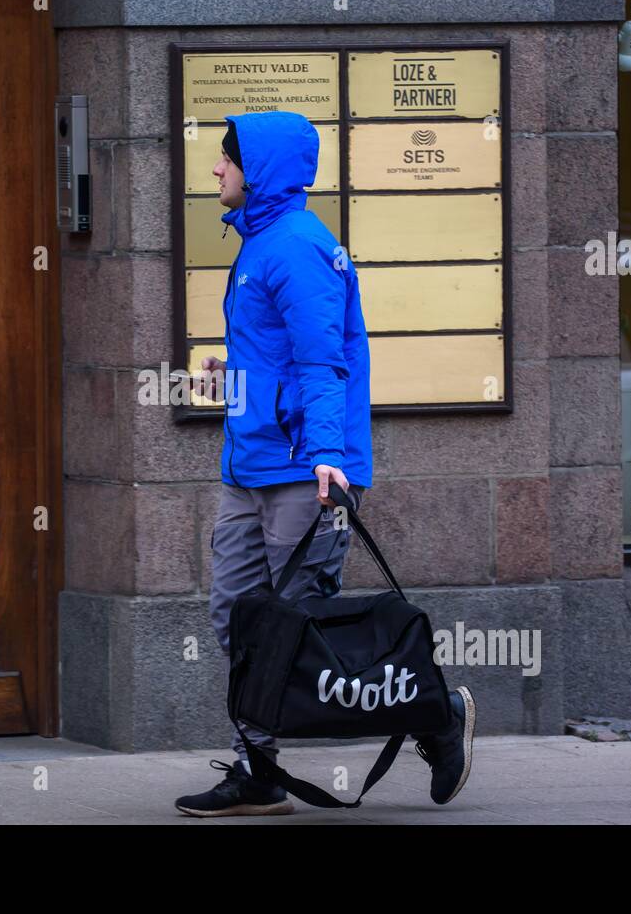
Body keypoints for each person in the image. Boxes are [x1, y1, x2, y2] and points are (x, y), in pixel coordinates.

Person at [174, 111, 476, 818]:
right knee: (236, 617)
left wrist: (330, 458)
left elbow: (322, 362)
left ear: (262, 169)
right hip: (249, 468)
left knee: (305, 632)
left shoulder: (298, 247)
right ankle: (261, 771)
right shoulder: (259, 242)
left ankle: (435, 716)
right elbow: (282, 355)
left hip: (302, 472)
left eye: (227, 160)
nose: (216, 171)